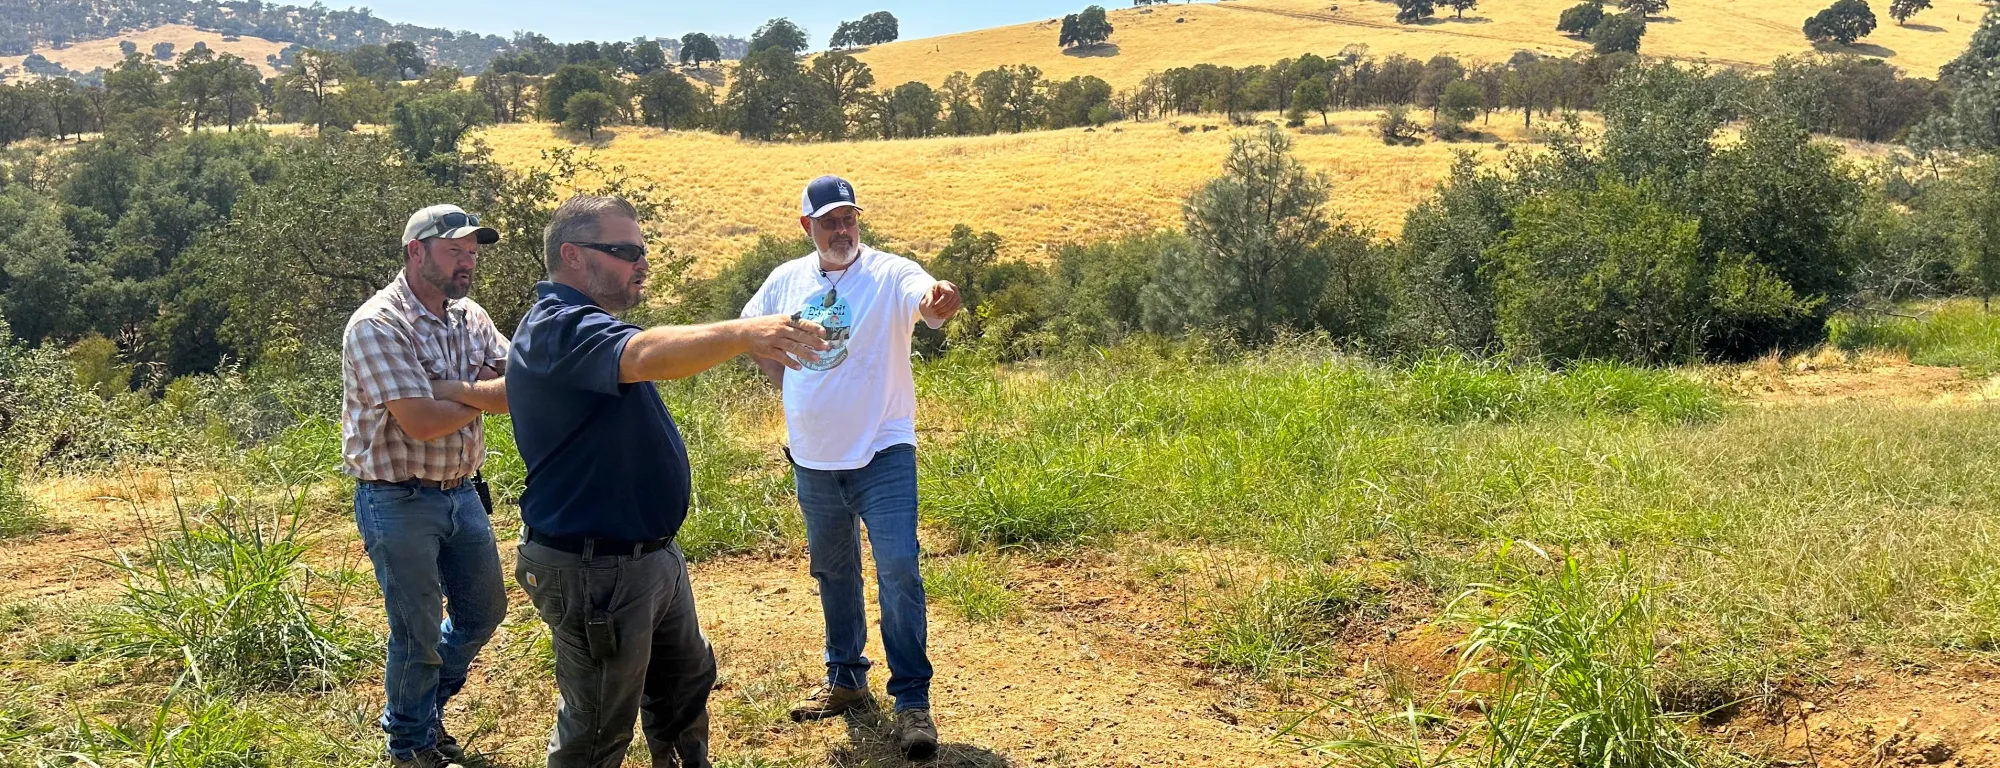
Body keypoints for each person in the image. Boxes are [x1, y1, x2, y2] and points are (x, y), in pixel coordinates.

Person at [506, 195, 830, 768]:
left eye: (642, 250)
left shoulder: (582, 330)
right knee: (598, 728)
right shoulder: (559, 326)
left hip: (645, 558)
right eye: (626, 251)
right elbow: (644, 353)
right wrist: (744, 332)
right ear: (574, 257)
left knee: (682, 691)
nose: (642, 263)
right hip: (596, 568)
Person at [742, 176, 963, 760]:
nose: (842, 230)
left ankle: (912, 701)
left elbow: (926, 296)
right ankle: (845, 679)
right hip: (812, 455)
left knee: (898, 569)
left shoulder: (890, 273)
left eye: (850, 219)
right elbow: (750, 333)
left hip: (883, 451)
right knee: (833, 573)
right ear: (806, 227)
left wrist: (937, 300)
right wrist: (787, 384)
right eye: (830, 221)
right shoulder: (785, 280)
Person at [341, 204, 513, 768]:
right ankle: (411, 746)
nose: (468, 262)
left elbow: (518, 386)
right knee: (415, 628)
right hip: (397, 497)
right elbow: (420, 421)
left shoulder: (470, 316)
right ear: (417, 251)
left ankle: (418, 711)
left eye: (472, 252)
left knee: (482, 613)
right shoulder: (378, 324)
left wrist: (448, 388)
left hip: (462, 490)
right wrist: (475, 389)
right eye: (454, 251)